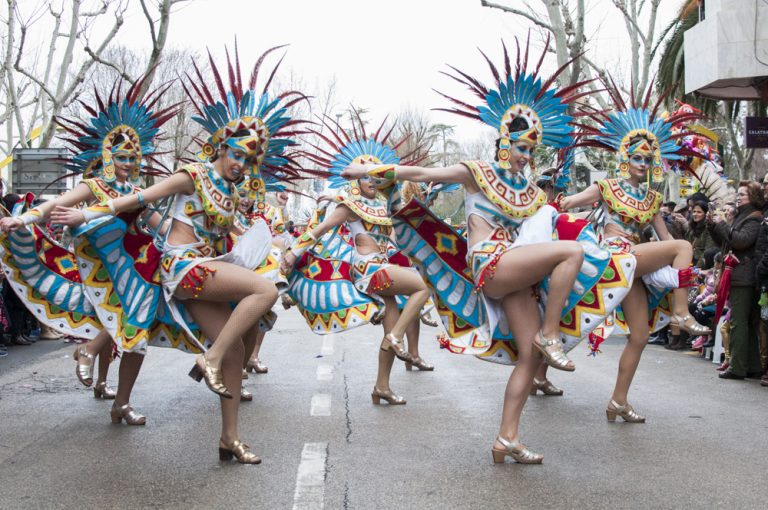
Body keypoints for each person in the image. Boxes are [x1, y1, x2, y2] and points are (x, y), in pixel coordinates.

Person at [342, 39, 613, 464]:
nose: (526, 157)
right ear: (505, 142)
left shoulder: (529, 191)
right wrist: (371, 170)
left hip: (514, 275)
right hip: (490, 265)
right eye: (522, 147)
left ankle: (507, 437)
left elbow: (546, 223)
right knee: (570, 254)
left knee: (527, 355)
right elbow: (423, 171)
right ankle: (551, 333)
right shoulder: (476, 173)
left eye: (532, 150)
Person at [52, 46, 308, 463]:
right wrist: (86, 211)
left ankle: (229, 439)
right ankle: (207, 358)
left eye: (248, 159)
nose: (241, 163)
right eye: (236, 154)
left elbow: (230, 236)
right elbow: (140, 196)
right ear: (222, 148)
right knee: (263, 292)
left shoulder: (233, 192)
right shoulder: (193, 175)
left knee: (237, 352)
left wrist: (267, 245)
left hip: (209, 269)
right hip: (182, 268)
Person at [0, 78, 177, 422]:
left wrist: (199, 238)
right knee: (133, 332)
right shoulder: (93, 186)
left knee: (137, 339)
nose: (128, 163)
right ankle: (93, 355)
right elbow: (56, 204)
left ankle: (118, 399)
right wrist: (23, 221)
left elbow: (162, 225)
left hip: (133, 275)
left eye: (134, 157)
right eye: (122, 156)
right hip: (99, 275)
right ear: (108, 155)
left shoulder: (136, 191)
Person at [560, 80, 711, 422]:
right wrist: (559, 203)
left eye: (647, 158)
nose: (642, 163)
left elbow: (662, 238)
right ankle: (682, 313)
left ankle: (618, 401)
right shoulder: (606, 187)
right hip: (615, 257)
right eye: (637, 158)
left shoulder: (653, 199)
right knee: (684, 246)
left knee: (640, 337)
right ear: (625, 158)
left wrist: (675, 268)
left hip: (635, 263)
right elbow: (570, 202)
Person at [283, 115, 432, 404]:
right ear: (355, 180)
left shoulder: (386, 205)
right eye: (365, 176)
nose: (371, 181)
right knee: (422, 287)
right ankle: (397, 337)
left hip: (385, 266)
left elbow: (404, 228)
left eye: (375, 175)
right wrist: (293, 252)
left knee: (391, 319)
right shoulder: (349, 205)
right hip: (368, 269)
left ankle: (382, 387)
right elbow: (319, 230)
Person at [711, 181, 764, 380]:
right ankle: (751, 365)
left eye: (743, 194)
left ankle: (738, 366)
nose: (739, 197)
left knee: (738, 322)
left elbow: (740, 241)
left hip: (744, 277)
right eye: (739, 193)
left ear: (753, 197)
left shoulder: (754, 219)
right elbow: (725, 242)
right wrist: (713, 225)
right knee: (746, 323)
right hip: (741, 275)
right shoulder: (744, 216)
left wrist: (722, 224)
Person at [686, 200, 716, 266]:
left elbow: (707, 250)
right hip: (690, 260)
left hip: (700, 263)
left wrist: (697, 267)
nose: (695, 214)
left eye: (699, 212)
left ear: (705, 214)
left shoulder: (709, 228)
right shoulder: (691, 227)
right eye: (694, 212)